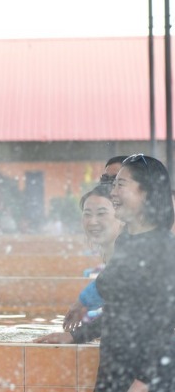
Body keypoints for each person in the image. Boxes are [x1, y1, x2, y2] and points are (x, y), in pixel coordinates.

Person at [40, 154, 175, 391]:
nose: (112, 192)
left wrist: (143, 381)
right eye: (113, 184)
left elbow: (168, 326)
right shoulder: (128, 243)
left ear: (148, 192)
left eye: (121, 185)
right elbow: (121, 314)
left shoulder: (163, 250)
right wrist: (76, 335)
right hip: (116, 375)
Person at [34, 184, 122, 343]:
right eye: (87, 214)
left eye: (101, 214)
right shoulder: (116, 253)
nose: (92, 222)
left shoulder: (131, 254)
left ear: (122, 216)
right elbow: (110, 282)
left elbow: (126, 311)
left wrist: (75, 335)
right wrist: (82, 303)